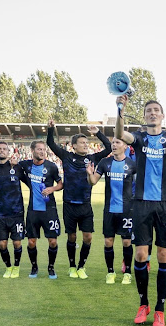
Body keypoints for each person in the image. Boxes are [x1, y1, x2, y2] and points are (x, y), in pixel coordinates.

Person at [115, 94, 166, 326]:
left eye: (156, 110)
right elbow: (120, 135)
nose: (152, 113)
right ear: (145, 115)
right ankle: (143, 303)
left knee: (163, 256)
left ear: (162, 115)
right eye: (148, 110)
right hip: (141, 203)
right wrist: (119, 109)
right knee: (140, 255)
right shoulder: (139, 138)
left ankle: (160, 309)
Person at [47, 119, 111, 279]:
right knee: (72, 237)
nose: (85, 144)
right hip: (69, 205)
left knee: (88, 237)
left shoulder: (92, 158)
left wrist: (97, 133)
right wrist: (50, 129)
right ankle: (72, 266)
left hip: (85, 205)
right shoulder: (66, 156)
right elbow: (51, 143)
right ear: (73, 145)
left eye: (86, 142)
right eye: (82, 142)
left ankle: (81, 266)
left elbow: (109, 147)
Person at [87, 137, 136, 284]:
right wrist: (90, 174)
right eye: (113, 143)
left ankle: (127, 272)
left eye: (117, 143)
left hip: (127, 210)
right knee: (108, 241)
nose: (114, 145)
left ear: (125, 146)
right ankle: (110, 272)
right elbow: (93, 182)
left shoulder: (132, 164)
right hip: (109, 209)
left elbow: (140, 184)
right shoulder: (105, 162)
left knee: (127, 242)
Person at [20, 140, 63, 279]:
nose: (42, 152)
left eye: (43, 149)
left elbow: (61, 183)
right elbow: (11, 164)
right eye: (39, 149)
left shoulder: (51, 167)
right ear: (32, 151)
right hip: (33, 210)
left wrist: (52, 188)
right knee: (31, 241)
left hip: (49, 209)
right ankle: (34, 267)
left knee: (53, 241)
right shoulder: (26, 165)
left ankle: (51, 268)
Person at [0, 142, 26, 278]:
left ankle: (16, 267)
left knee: (17, 243)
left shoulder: (17, 167)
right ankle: (8, 267)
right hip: (1, 213)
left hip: (17, 213)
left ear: (9, 152)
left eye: (4, 149)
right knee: (2, 244)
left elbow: (29, 182)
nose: (2, 151)